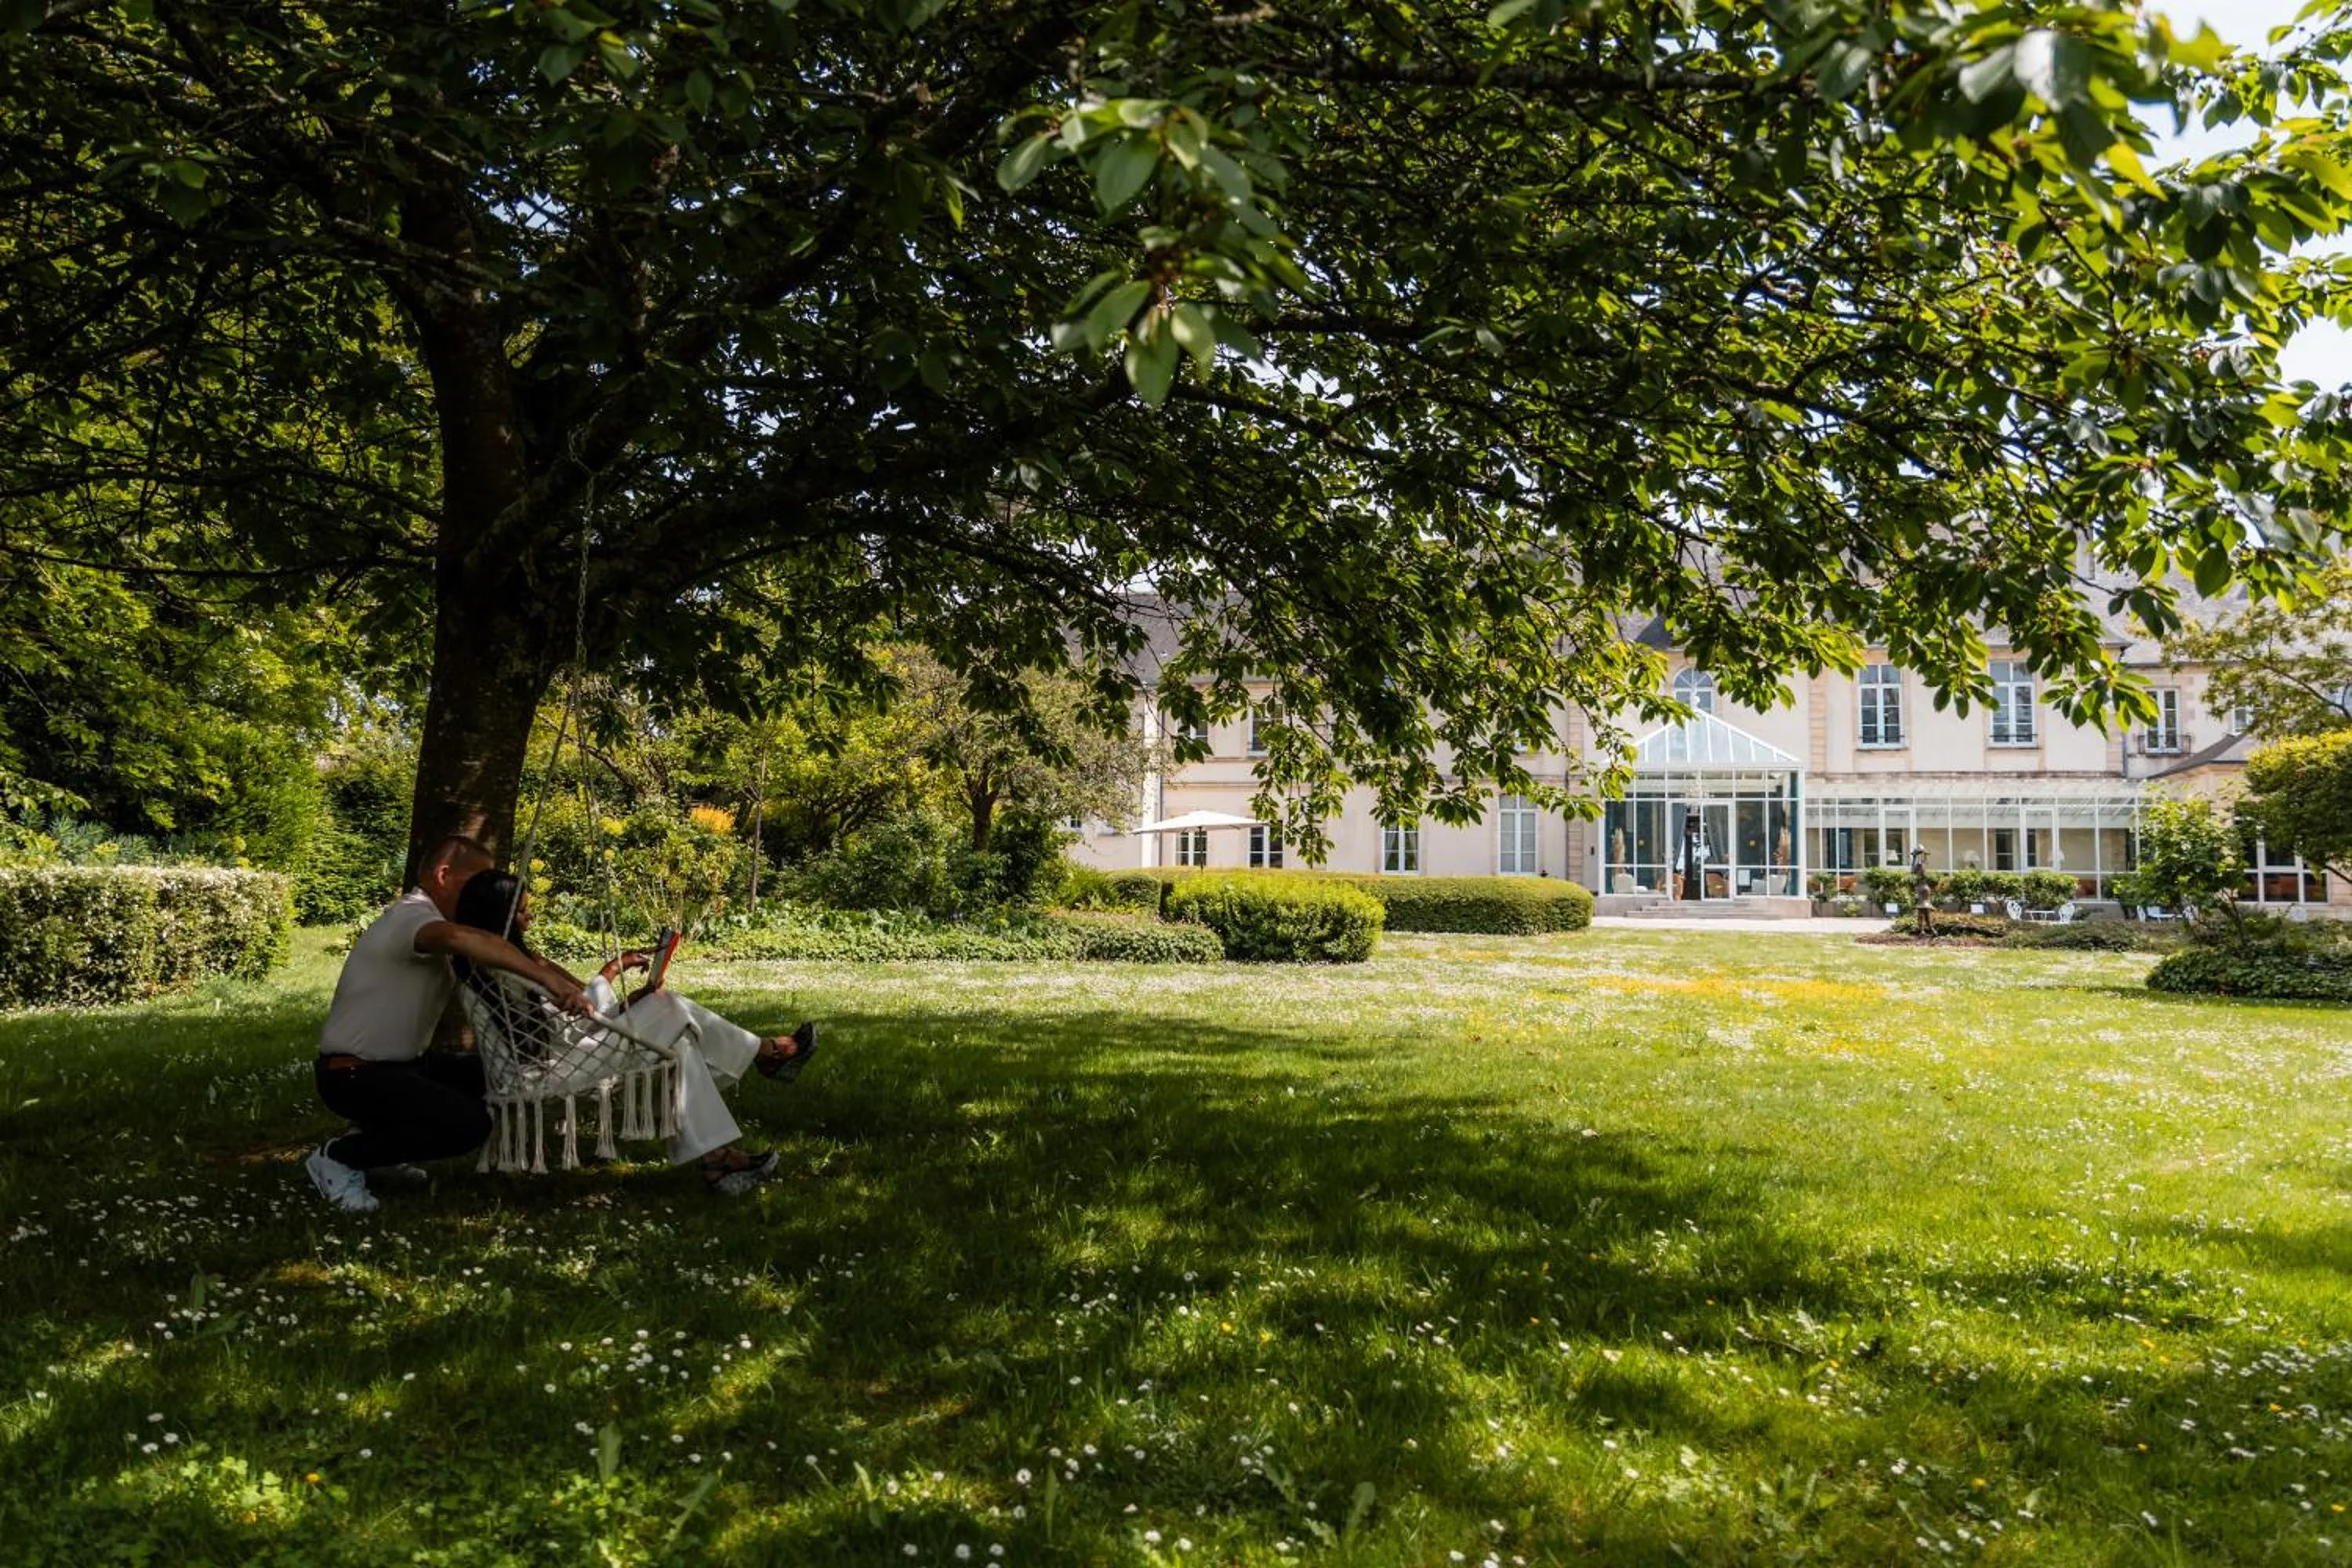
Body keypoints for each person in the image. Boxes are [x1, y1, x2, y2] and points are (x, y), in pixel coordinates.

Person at [448, 869, 817, 1196]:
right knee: (669, 1006)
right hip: (554, 1070)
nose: (530, 918)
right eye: (523, 911)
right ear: (502, 917)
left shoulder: (503, 966)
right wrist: (613, 982)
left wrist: (622, 995)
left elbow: (574, 1017)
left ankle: (717, 1161)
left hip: (566, 1055)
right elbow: (566, 1028)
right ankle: (766, 1054)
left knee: (681, 1044)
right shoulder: (507, 972)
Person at [306, 834, 592, 1214]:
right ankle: (340, 1157)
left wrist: (581, 988)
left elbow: (515, 956)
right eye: (476, 882)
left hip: (403, 1069)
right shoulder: (412, 915)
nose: (482, 892)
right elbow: (460, 937)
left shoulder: (440, 923)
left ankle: (378, 1147)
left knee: (495, 1076)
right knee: (468, 1126)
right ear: (444, 875)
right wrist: (548, 982)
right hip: (354, 1076)